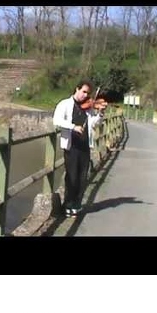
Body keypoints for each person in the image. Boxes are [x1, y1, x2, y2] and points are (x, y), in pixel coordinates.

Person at [53, 80, 106, 217]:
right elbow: (56, 120)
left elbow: (94, 124)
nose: (86, 95)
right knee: (72, 176)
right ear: (77, 89)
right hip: (71, 146)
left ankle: (76, 205)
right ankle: (68, 205)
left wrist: (100, 114)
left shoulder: (88, 108)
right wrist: (73, 127)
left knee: (82, 177)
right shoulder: (64, 104)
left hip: (84, 146)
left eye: (88, 93)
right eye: (84, 92)